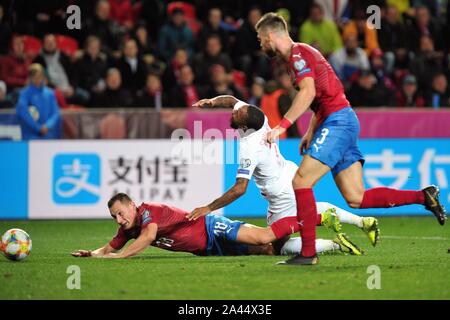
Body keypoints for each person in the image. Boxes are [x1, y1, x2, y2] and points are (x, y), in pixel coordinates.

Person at [255, 13, 446, 265]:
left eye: (260, 39)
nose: (260, 44)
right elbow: (320, 95)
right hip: (338, 121)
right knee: (357, 198)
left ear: (270, 35)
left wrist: (282, 126)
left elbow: (309, 91)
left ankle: (308, 253)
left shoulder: (297, 53)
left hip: (337, 123)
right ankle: (425, 196)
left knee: (301, 181)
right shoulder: (299, 56)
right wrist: (311, 130)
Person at [187, 95, 378, 253]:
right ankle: (361, 221)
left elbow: (240, 189)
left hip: (280, 193)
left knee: (275, 246)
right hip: (289, 173)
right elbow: (230, 100)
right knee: (303, 211)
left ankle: (335, 245)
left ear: (244, 126)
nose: (234, 111)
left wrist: (209, 208)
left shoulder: (249, 148)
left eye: (237, 114)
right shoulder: (259, 119)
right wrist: (212, 102)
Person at [71, 193, 361, 259]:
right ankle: (336, 246)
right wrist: (95, 254)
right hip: (209, 250)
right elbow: (112, 244)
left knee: (264, 236)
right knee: (270, 251)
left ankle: (321, 218)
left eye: (122, 213)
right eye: (115, 218)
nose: (120, 220)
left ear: (133, 205)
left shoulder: (149, 214)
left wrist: (120, 257)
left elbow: (148, 236)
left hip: (212, 228)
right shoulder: (127, 227)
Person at [15, 63, 61, 140]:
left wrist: (47, 126)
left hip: (48, 135)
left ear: (43, 77)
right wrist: (38, 128)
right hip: (30, 136)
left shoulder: (50, 93)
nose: (37, 79)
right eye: (34, 77)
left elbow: (56, 112)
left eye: (40, 76)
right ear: (30, 78)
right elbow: (23, 113)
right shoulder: (24, 94)